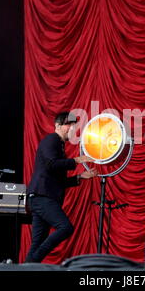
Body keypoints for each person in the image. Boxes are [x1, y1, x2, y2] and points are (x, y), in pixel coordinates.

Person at [25, 112, 98, 263]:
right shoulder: (51, 140)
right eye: (68, 124)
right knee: (65, 227)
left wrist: (80, 177)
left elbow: (57, 178)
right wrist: (77, 160)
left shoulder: (59, 144)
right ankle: (33, 260)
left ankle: (27, 266)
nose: (71, 128)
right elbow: (51, 164)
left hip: (42, 197)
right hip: (42, 197)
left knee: (37, 243)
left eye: (73, 125)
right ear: (57, 126)